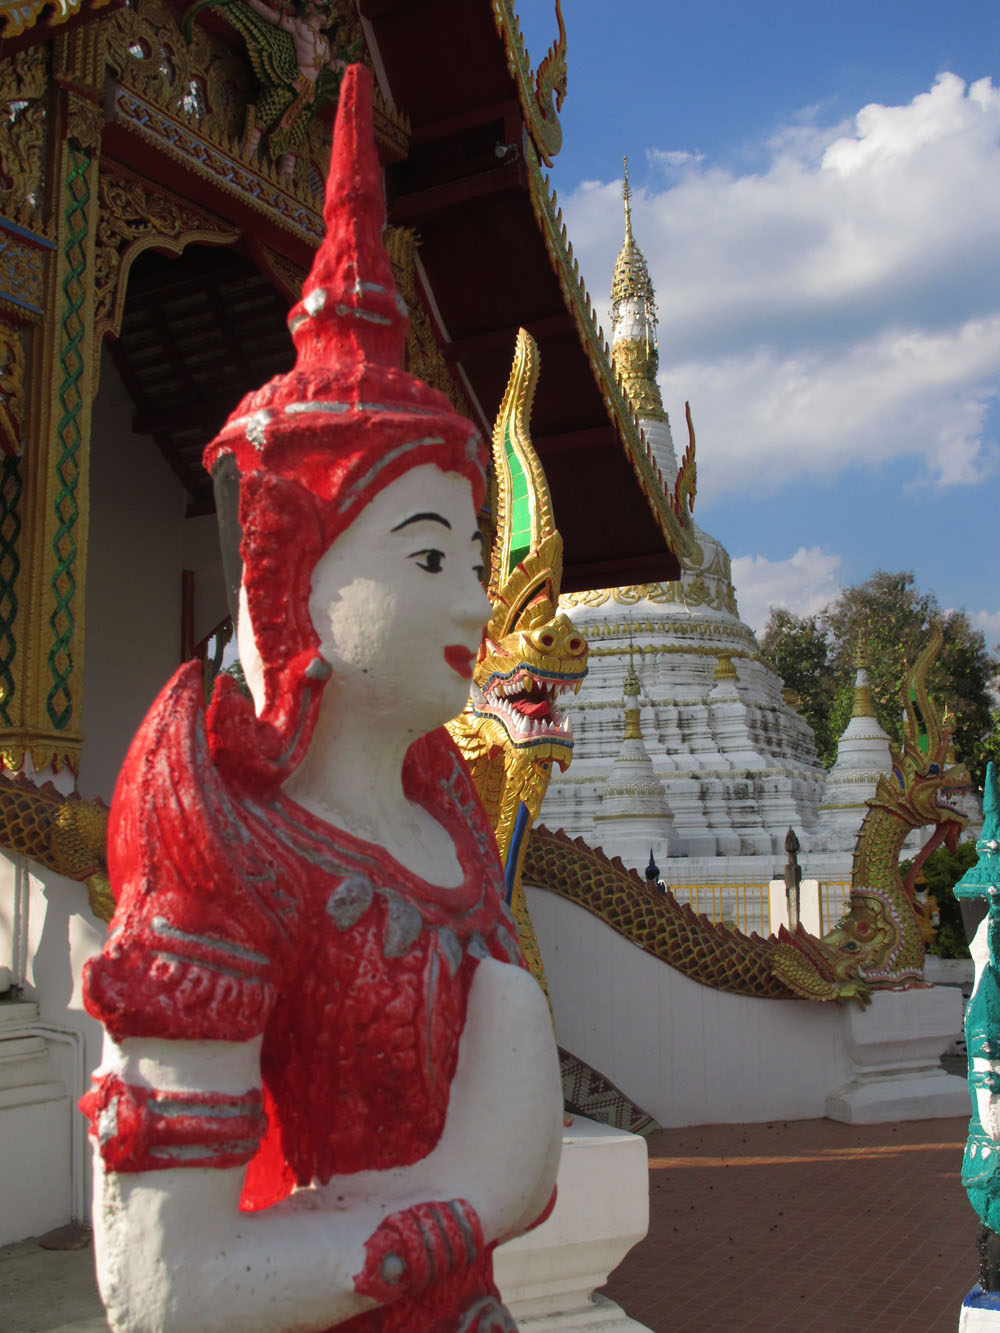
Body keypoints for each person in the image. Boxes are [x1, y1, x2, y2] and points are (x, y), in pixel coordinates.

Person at [81, 64, 562, 1333]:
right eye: (424, 558)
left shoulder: (448, 813)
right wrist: (461, 1200)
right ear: (290, 565)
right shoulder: (226, 846)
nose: (472, 603)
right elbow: (161, 1286)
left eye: (470, 559)